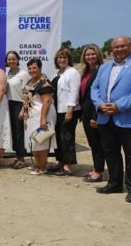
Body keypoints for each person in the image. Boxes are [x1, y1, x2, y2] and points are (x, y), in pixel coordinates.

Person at [91, 36, 131, 203]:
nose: (119, 50)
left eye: (123, 46)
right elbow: (94, 88)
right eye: (115, 47)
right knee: (111, 153)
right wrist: (99, 104)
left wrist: (119, 105)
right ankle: (114, 183)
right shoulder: (104, 67)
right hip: (106, 118)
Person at [48, 48, 81, 176]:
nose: (62, 60)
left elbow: (74, 93)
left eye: (65, 57)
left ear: (69, 59)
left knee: (67, 139)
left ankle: (68, 167)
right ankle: (60, 163)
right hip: (57, 111)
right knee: (59, 139)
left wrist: (70, 110)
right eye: (60, 57)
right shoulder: (57, 74)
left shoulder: (72, 73)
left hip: (67, 111)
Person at [21, 59, 57, 175]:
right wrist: (23, 110)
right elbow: (27, 98)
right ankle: (37, 164)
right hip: (30, 117)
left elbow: (47, 102)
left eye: (34, 68)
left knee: (41, 141)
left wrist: (42, 119)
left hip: (41, 116)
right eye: (30, 68)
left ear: (40, 68)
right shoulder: (30, 82)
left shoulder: (44, 82)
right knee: (34, 141)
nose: (32, 70)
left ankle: (42, 167)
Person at [79, 44, 105, 182]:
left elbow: (101, 95)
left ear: (98, 55)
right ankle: (95, 168)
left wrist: (96, 116)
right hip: (86, 113)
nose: (90, 57)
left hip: (95, 114)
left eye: (93, 54)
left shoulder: (102, 71)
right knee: (92, 143)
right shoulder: (86, 71)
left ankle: (99, 172)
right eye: (88, 55)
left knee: (98, 144)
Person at [5, 51, 29, 169]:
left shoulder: (23, 74)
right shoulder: (6, 73)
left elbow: (27, 92)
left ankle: (22, 158)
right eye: (9, 59)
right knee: (13, 132)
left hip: (19, 105)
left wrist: (23, 108)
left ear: (18, 59)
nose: (11, 61)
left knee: (19, 133)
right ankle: (17, 156)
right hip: (8, 104)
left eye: (13, 59)